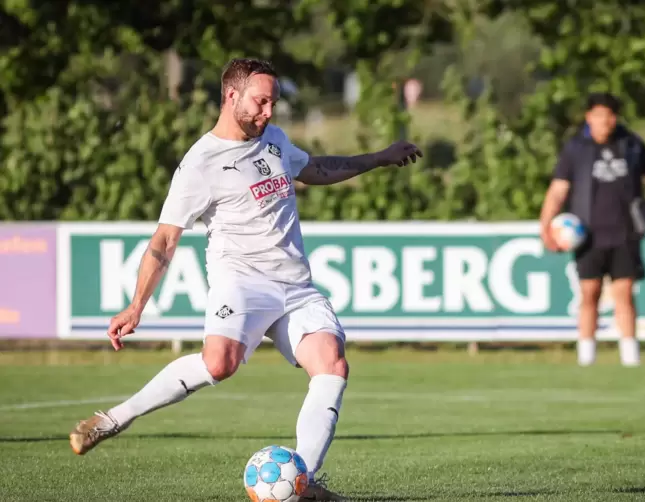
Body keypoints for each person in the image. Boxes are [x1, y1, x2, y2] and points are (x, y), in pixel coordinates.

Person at [69, 58, 422, 501]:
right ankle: (114, 419)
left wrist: (378, 158)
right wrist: (136, 304)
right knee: (219, 363)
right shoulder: (200, 164)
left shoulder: (273, 140)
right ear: (231, 96)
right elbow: (163, 240)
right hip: (242, 281)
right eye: (260, 101)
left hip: (295, 286)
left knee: (331, 364)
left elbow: (315, 168)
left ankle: (302, 483)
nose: (268, 112)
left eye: (273, 102)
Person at [539, 92, 645, 367]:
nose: (604, 121)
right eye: (598, 115)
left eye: (609, 115)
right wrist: (545, 225)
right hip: (587, 236)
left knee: (624, 293)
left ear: (615, 118)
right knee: (589, 293)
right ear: (589, 118)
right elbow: (559, 189)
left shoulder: (630, 144)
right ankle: (587, 356)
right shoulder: (576, 148)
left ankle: (630, 358)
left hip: (625, 233)